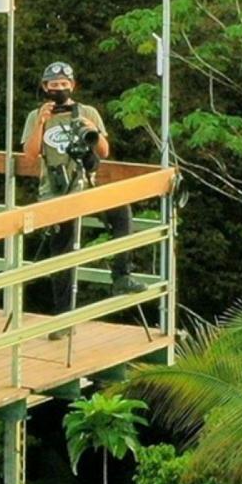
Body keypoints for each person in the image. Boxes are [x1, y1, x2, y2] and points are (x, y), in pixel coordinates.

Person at [21, 61, 142, 338]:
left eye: (64, 85)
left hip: (86, 184)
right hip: (55, 189)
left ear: (73, 86)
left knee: (121, 212)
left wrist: (92, 129)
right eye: (54, 86)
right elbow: (29, 155)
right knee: (62, 252)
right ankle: (63, 320)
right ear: (45, 88)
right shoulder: (35, 116)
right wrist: (41, 121)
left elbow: (104, 151)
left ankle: (122, 274)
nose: (59, 90)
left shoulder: (87, 112)